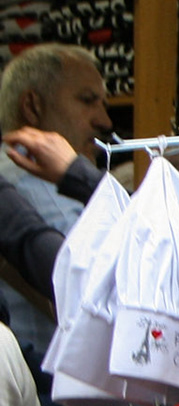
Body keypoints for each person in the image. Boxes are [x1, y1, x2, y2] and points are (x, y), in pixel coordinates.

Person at [0, 45, 113, 356]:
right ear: (33, 106)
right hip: (47, 390)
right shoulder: (29, 182)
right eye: (87, 101)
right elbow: (105, 287)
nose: (104, 120)